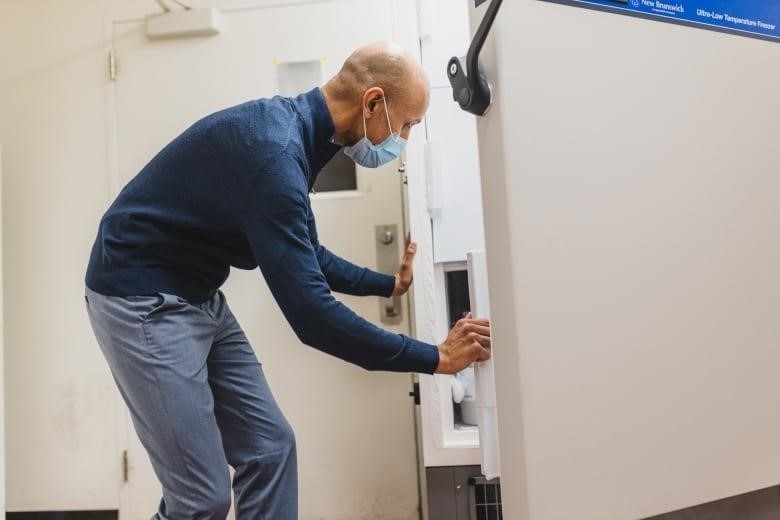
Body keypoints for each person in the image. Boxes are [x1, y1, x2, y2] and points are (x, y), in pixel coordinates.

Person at [84, 41, 491, 519]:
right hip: (139, 297)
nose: (401, 140)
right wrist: (435, 358)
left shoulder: (305, 137)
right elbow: (312, 317)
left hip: (197, 295)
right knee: (200, 499)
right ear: (373, 102)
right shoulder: (275, 155)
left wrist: (386, 285)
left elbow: (306, 251)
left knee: (270, 451)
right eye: (405, 125)